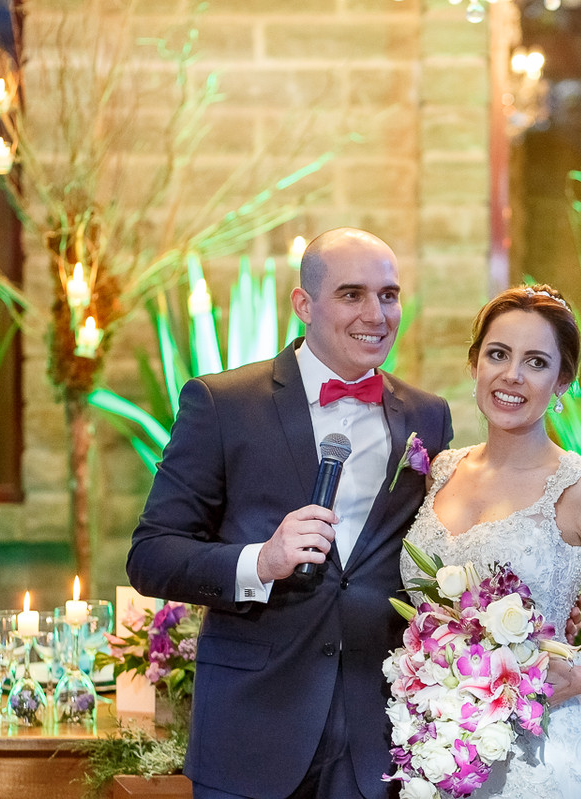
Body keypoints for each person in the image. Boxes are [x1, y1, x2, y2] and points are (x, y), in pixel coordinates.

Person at [127, 227, 454, 799]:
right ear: (303, 304)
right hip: (252, 728)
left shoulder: (427, 417)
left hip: (379, 738)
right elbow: (151, 556)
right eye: (351, 294)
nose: (375, 313)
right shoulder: (223, 403)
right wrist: (262, 561)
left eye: (389, 294)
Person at [398, 284, 581, 797]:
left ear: (562, 382)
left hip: (540, 751)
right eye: (498, 354)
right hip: (437, 745)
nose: (512, 375)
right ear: (475, 364)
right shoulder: (439, 471)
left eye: (536, 362)